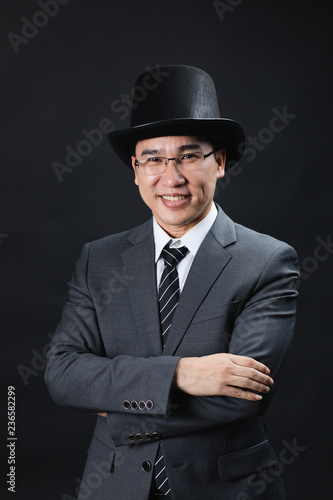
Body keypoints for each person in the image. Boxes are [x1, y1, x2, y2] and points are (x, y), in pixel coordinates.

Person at [45, 65, 299, 500]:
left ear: (218, 162)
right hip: (113, 486)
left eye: (188, 155)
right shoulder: (99, 259)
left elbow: (243, 397)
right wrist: (182, 374)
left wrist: (116, 408)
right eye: (155, 159)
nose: (172, 176)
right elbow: (63, 373)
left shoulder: (268, 261)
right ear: (136, 168)